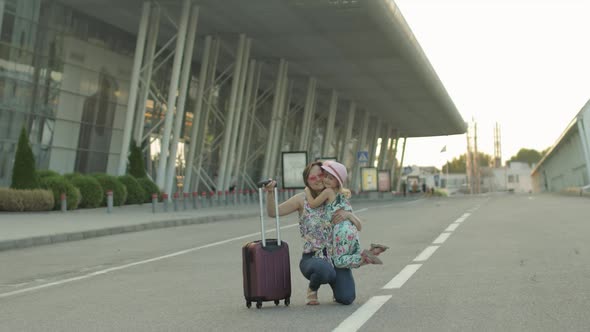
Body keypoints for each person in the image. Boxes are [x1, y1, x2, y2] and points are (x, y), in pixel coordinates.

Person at [264, 161, 361, 305]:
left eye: (320, 175)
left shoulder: (337, 197)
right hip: (313, 258)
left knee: (347, 298)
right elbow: (273, 212)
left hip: (337, 257)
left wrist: (349, 215)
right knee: (325, 270)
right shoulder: (301, 199)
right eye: (312, 177)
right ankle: (312, 289)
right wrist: (270, 192)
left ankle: (337, 284)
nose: (317, 180)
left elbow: (357, 225)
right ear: (306, 180)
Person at [305, 160, 387, 268]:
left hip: (340, 231)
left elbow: (313, 204)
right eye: (326, 176)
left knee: (339, 261)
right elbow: (357, 223)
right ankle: (372, 251)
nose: (326, 180)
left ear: (337, 182)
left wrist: (307, 191)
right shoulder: (342, 196)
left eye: (331, 178)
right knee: (350, 256)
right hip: (351, 230)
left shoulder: (328, 192)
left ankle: (365, 257)